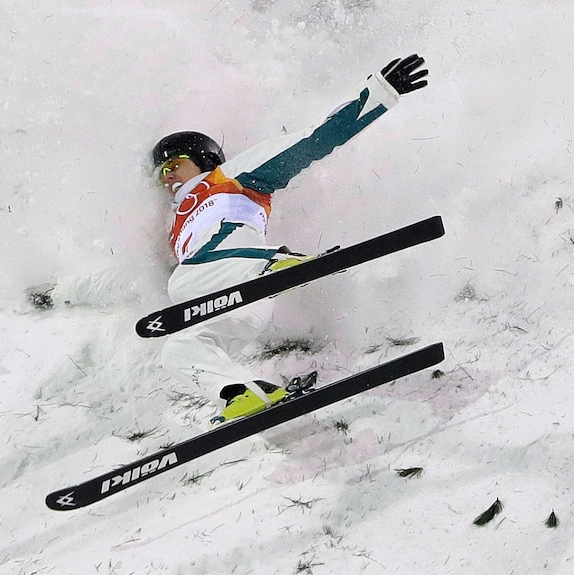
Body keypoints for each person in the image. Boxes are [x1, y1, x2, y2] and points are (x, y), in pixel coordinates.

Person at [152, 54, 429, 424]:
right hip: (227, 303)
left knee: (190, 272)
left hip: (240, 270)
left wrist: (379, 93)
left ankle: (274, 265)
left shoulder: (228, 176)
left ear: (202, 160)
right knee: (177, 349)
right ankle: (241, 392)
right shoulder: (171, 228)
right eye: (161, 174)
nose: (167, 178)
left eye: (174, 165)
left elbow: (313, 141)